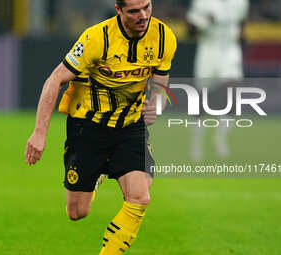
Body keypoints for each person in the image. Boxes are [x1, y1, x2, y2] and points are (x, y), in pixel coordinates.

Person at [24, 0, 177, 254]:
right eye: (134, 11)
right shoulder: (96, 38)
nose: (143, 15)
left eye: (147, 7)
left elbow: (161, 80)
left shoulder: (163, 37)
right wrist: (40, 133)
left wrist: (157, 104)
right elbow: (55, 78)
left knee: (140, 196)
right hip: (88, 129)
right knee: (77, 212)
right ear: (119, 11)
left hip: (130, 126)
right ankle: (96, 176)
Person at [186, 0, 249, 161]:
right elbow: (190, 31)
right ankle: (196, 143)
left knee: (233, 94)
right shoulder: (201, 2)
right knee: (201, 101)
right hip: (208, 50)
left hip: (230, 50)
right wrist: (205, 22)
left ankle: (220, 140)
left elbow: (241, 22)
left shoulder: (240, 2)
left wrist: (241, 36)